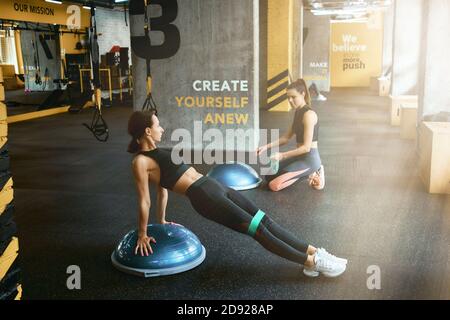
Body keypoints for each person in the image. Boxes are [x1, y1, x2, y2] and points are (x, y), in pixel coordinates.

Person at [127, 110, 347, 278]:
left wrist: (163, 219)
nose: (162, 129)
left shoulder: (158, 151)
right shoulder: (140, 161)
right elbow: (144, 200)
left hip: (213, 185)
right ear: (147, 131)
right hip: (204, 197)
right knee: (258, 231)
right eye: (158, 125)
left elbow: (162, 189)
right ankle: (310, 262)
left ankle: (314, 251)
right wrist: (142, 233)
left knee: (265, 220)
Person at [257, 79, 325, 192]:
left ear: (303, 94)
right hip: (299, 157)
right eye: (288, 97)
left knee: (274, 185)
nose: (290, 100)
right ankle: (306, 172)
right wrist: (265, 147)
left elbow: (306, 148)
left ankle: (314, 171)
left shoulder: (309, 115)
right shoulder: (298, 112)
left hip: (309, 159)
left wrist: (282, 155)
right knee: (269, 176)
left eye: (293, 97)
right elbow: (286, 138)